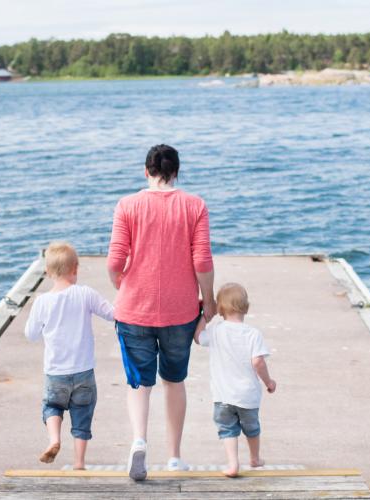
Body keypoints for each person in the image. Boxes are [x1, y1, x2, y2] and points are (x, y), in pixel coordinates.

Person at [108, 144, 215, 480]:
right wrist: (208, 301)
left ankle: (139, 441)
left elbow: (114, 261)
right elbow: (202, 261)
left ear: (146, 172)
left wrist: (122, 284)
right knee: (174, 381)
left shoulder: (127, 205)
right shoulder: (195, 205)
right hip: (181, 311)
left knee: (140, 384)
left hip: (134, 309)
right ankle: (174, 457)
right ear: (177, 171)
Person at [24, 241, 115, 470]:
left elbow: (31, 335)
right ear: (75, 268)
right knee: (82, 416)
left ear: (47, 272)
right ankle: (79, 462)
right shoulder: (85, 294)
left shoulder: (42, 302)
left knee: (52, 406)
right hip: (83, 371)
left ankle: (54, 439)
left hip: (56, 372)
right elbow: (113, 314)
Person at [195, 283, 275, 478]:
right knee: (252, 428)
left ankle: (232, 464)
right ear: (246, 305)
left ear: (220, 308)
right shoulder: (253, 334)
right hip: (247, 395)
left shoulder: (216, 331)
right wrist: (268, 382)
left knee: (227, 430)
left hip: (222, 396)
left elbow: (198, 337)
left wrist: (205, 316)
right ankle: (255, 458)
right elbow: (258, 362)